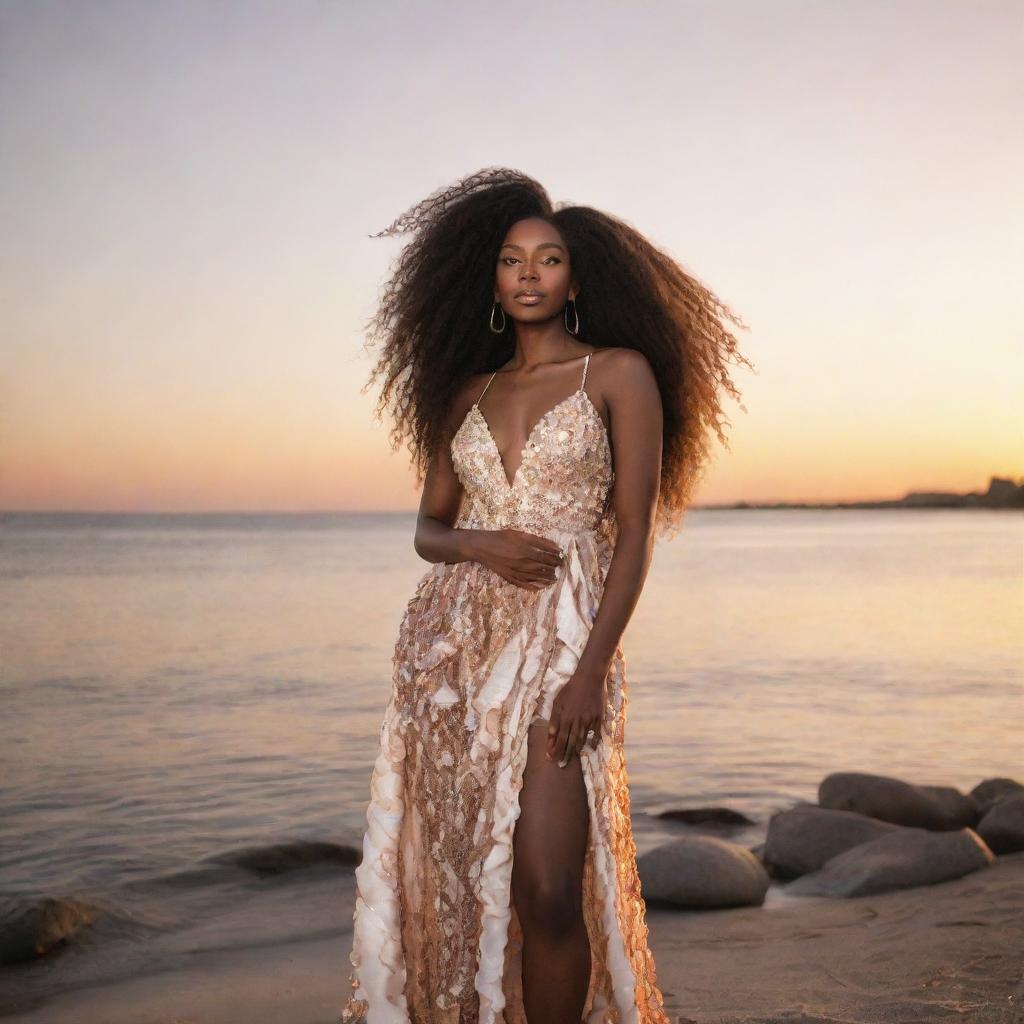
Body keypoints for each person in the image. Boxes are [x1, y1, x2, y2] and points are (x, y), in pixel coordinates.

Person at [341, 167, 751, 1024]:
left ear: (575, 275)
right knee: (471, 880)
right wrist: (478, 542)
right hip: (453, 652)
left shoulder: (618, 373)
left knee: (550, 887)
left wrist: (592, 671)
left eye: (549, 258)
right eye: (511, 260)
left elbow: (634, 531)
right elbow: (429, 529)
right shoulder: (467, 393)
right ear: (487, 279)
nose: (530, 274)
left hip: (566, 638)